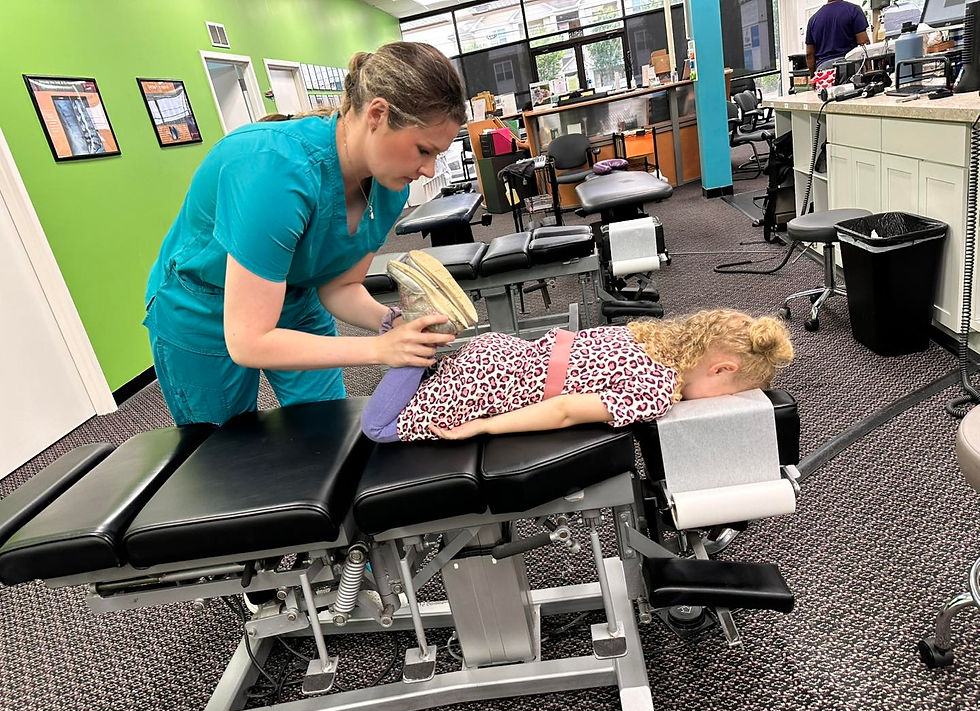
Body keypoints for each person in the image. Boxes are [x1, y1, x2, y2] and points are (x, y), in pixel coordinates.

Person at [143, 42, 468, 426]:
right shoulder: (273, 171)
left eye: (437, 156)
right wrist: (380, 349)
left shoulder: (390, 187)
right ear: (377, 114)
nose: (429, 171)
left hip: (297, 298)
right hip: (204, 308)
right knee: (227, 452)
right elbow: (249, 339)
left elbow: (340, 287)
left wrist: (391, 322)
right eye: (422, 151)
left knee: (325, 430)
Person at [361, 253, 794, 442]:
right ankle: (409, 322)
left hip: (502, 353)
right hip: (490, 387)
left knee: (435, 372)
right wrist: (481, 427)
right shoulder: (659, 393)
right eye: (733, 391)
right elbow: (564, 409)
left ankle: (419, 333)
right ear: (720, 369)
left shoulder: (652, 337)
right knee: (378, 429)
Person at [805, 0, 870, 75]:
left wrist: (813, 76)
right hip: (849, 65)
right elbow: (864, 43)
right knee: (852, 86)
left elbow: (809, 54)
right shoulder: (853, 10)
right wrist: (869, 69)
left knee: (826, 87)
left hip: (823, 71)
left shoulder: (813, 20)